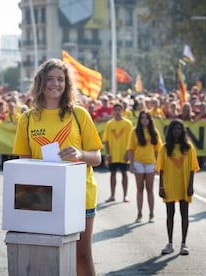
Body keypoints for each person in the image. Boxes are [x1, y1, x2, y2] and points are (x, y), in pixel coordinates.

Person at [12, 58, 102, 276]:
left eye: (61, 79)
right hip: (40, 197)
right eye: (50, 79)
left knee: (81, 255)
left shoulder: (79, 114)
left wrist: (79, 154)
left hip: (79, 195)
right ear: (40, 82)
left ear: (67, 84)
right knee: (43, 256)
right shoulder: (27, 119)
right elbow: (24, 164)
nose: (55, 84)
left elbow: (97, 157)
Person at [156, 119, 199, 255]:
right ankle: (170, 243)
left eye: (179, 129)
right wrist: (161, 187)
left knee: (184, 214)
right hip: (169, 185)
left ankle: (184, 244)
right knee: (170, 214)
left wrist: (191, 185)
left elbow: (192, 168)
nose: (177, 131)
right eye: (174, 129)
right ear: (170, 131)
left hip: (184, 185)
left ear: (183, 131)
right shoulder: (164, 148)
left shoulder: (188, 147)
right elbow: (161, 169)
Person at [127, 110, 162, 223]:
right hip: (138, 163)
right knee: (140, 189)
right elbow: (130, 149)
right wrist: (131, 164)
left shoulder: (154, 132)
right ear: (139, 119)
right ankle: (139, 213)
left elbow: (158, 150)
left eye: (146, 118)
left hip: (151, 163)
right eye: (142, 118)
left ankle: (151, 214)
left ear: (149, 119)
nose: (144, 120)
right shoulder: (134, 131)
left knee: (150, 189)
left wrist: (158, 164)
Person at [103, 102, 133, 203]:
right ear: (112, 111)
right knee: (112, 174)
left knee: (124, 174)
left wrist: (128, 153)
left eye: (119, 109)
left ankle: (125, 196)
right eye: (115, 110)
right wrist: (107, 154)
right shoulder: (109, 124)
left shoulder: (128, 124)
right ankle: (112, 195)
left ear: (123, 111)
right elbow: (106, 140)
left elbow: (130, 140)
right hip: (113, 155)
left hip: (123, 154)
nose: (117, 112)